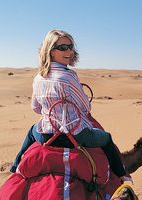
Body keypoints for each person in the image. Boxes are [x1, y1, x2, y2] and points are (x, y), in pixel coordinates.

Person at [10, 29, 126, 180]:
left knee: (32, 131)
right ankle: (120, 175)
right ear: (51, 51)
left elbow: (36, 108)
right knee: (106, 138)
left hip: (46, 136)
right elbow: (85, 107)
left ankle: (15, 166)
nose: (69, 51)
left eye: (70, 47)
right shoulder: (69, 76)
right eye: (63, 47)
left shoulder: (39, 77)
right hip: (75, 136)